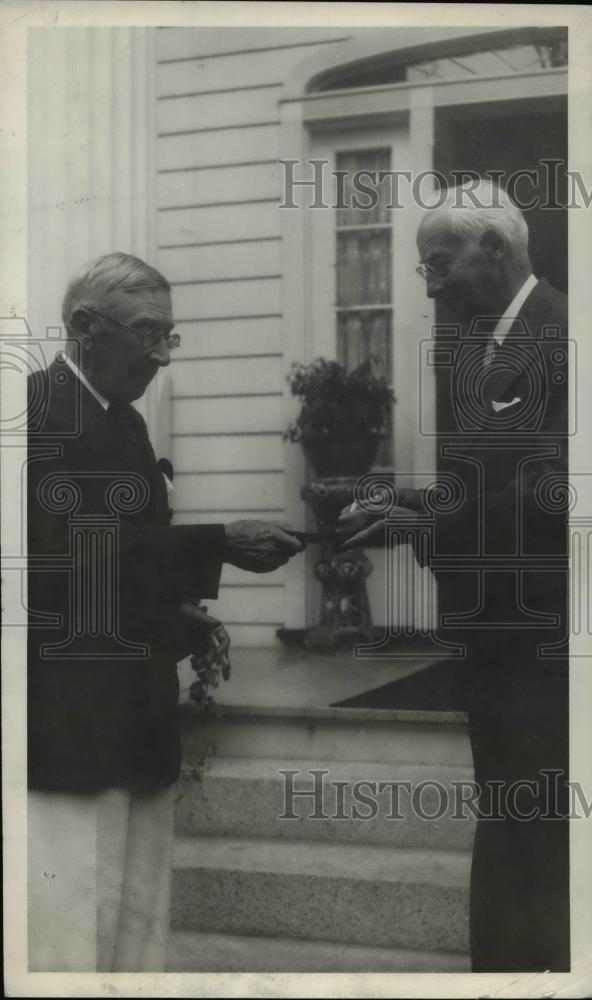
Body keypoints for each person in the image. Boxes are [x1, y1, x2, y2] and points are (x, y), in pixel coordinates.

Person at [27, 252, 304, 972]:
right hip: (71, 729)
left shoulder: (126, 427)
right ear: (85, 326)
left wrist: (186, 621)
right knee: (70, 938)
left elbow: (129, 560)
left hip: (138, 721)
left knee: (137, 931)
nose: (160, 354)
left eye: (168, 337)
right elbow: (67, 564)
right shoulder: (34, 414)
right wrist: (218, 545)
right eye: (148, 332)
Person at [339, 181, 569, 972]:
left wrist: (432, 520)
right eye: (420, 268)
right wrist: (405, 501)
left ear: (496, 250)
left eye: (438, 264)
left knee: (541, 836)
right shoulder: (479, 346)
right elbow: (487, 485)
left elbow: (558, 487)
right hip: (495, 646)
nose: (427, 283)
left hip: (553, 645)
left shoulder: (568, 334)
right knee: (508, 822)